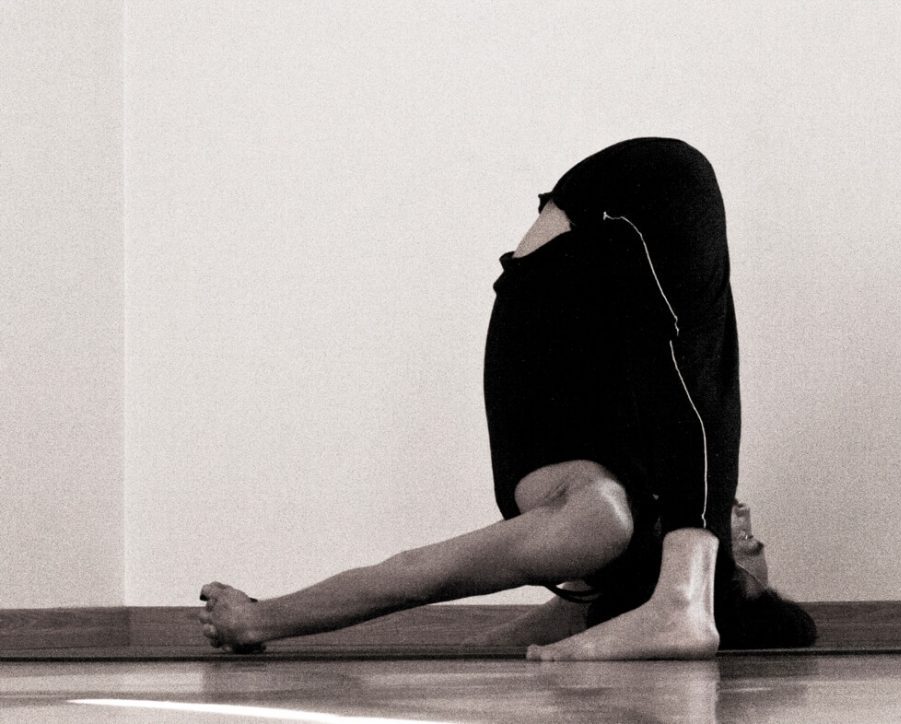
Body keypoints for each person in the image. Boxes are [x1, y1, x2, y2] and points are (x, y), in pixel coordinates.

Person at [199, 137, 816, 660]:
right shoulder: (615, 531)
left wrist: (261, 618)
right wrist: (492, 660)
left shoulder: (599, 520)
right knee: (696, 365)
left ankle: (685, 599)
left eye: (746, 555)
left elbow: (418, 574)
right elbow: (536, 633)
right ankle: (680, 602)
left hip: (624, 218)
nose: (747, 524)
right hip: (601, 257)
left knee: (701, 367)